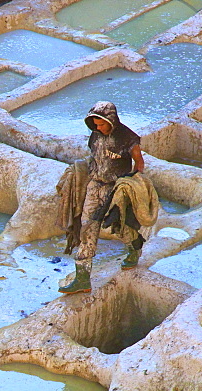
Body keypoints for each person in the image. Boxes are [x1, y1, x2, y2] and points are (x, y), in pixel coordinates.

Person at [59, 101, 147, 295]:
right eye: (95, 125)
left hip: (116, 189)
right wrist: (81, 169)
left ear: (111, 120)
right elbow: (94, 157)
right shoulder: (96, 135)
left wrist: (130, 184)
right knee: (87, 227)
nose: (98, 128)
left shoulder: (128, 138)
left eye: (101, 124)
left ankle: (134, 248)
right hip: (95, 186)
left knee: (120, 226)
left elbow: (139, 163)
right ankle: (82, 278)